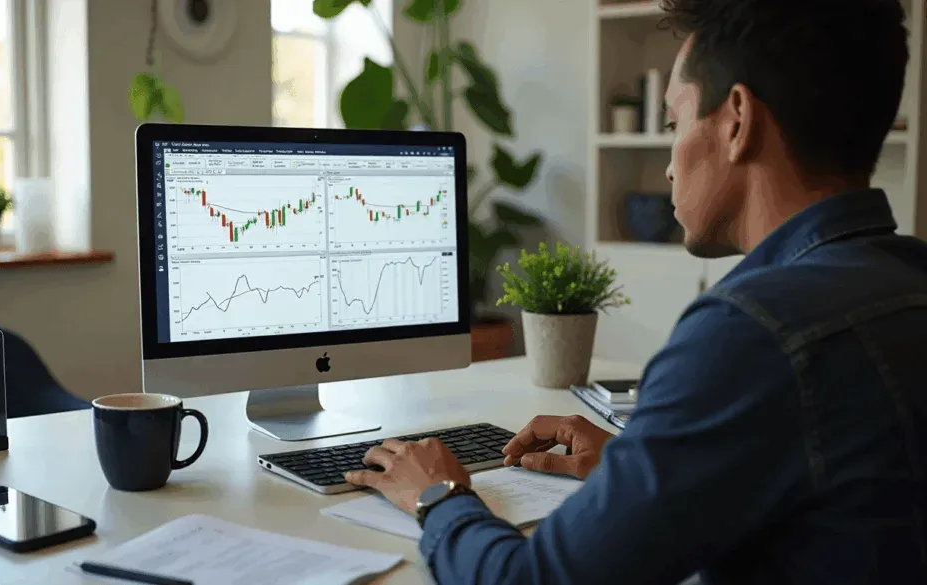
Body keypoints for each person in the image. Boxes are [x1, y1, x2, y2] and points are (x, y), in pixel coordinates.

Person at [344, 0, 927, 583]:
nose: (670, 166)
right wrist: (641, 469)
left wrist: (438, 495)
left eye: (674, 124)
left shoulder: (751, 332)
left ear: (737, 121)